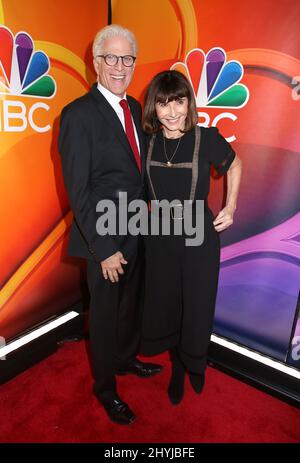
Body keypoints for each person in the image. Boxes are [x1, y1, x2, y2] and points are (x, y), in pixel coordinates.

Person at [58, 24, 162, 425]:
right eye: (111, 58)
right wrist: (103, 248)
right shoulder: (77, 116)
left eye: (127, 58)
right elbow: (78, 191)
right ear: (96, 62)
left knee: (129, 306)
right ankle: (105, 388)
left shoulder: (134, 108)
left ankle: (125, 360)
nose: (120, 67)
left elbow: (136, 172)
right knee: (103, 316)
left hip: (135, 228)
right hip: (102, 236)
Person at [140, 70, 242, 405]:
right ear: (154, 107)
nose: (172, 112)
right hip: (160, 237)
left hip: (199, 236)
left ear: (189, 103)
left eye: (179, 101)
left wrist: (231, 205)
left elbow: (236, 163)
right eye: (163, 103)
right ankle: (176, 366)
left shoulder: (206, 137)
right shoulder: (148, 141)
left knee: (197, 307)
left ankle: (192, 366)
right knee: (168, 306)